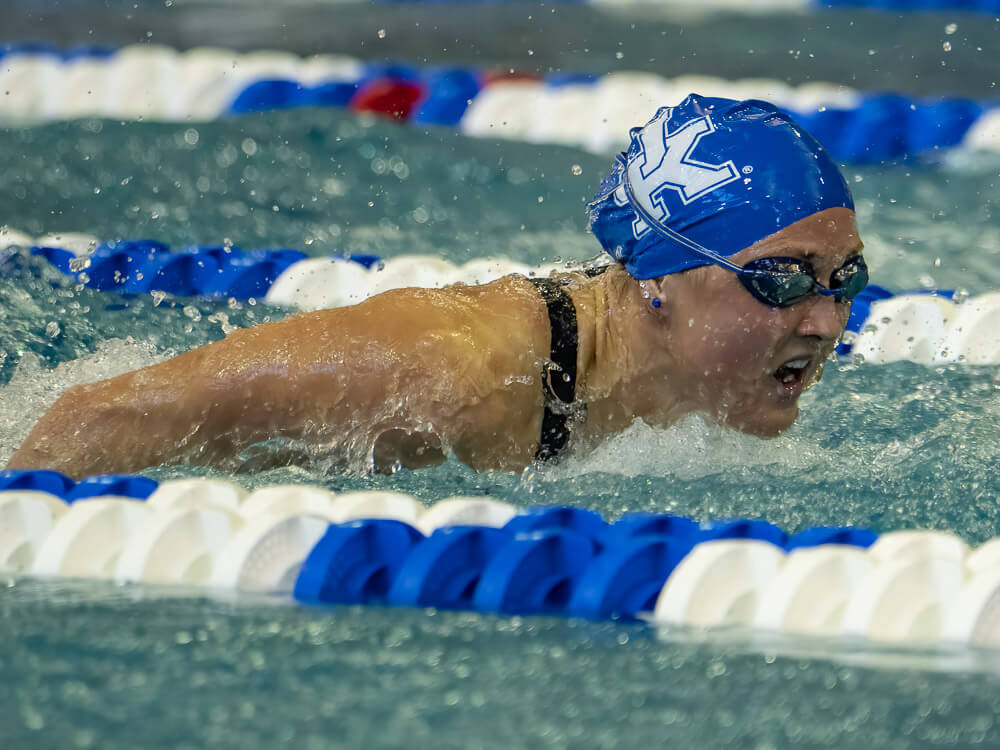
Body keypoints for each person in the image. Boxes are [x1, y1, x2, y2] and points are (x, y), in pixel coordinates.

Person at [6, 94, 867, 478]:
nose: (828, 320)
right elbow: (92, 420)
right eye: (784, 281)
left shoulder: (696, 385)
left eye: (846, 279)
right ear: (658, 276)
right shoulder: (455, 374)